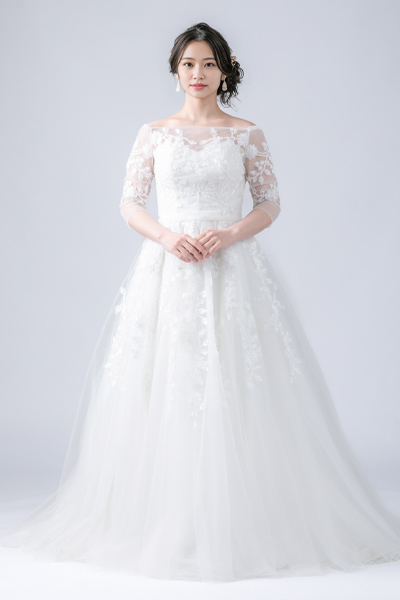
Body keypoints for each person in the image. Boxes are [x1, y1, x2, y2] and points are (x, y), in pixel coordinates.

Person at [1, 21, 400, 583]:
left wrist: (230, 234)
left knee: (238, 384)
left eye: (209, 64)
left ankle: (240, 521)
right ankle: (170, 520)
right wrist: (167, 237)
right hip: (169, 271)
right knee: (167, 382)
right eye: (188, 63)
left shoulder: (246, 134)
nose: (198, 73)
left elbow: (270, 202)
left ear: (225, 71)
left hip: (233, 272)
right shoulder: (153, 134)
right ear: (175, 70)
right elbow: (130, 202)